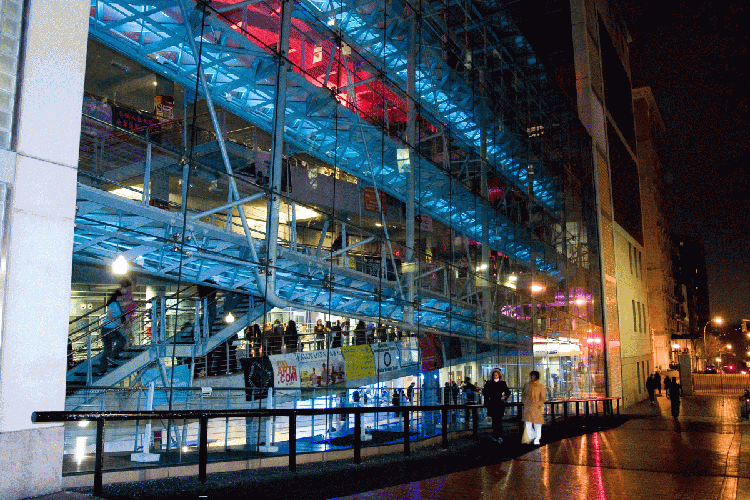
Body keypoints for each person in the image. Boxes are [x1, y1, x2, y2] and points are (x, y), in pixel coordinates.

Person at [98, 289, 125, 374]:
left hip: (111, 328)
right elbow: (109, 316)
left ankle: (105, 366)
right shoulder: (113, 304)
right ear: (118, 297)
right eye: (122, 297)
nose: (123, 298)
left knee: (108, 348)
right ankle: (112, 357)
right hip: (108, 328)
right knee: (120, 341)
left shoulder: (117, 304)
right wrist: (118, 324)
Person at [483, 369, 511, 442]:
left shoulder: (502, 383)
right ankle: (496, 435)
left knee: (499, 420)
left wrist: (504, 397)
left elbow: (508, 391)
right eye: (494, 375)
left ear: (499, 375)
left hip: (499, 404)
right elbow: (485, 392)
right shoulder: (489, 383)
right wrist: (488, 399)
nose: (495, 376)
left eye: (496, 375)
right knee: (494, 421)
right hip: (492, 404)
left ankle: (499, 435)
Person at [521, 370, 547, 445]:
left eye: (533, 376)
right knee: (528, 424)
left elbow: (543, 397)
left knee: (537, 424)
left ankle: (537, 438)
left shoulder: (540, 386)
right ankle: (533, 436)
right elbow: (523, 395)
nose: (532, 377)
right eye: (531, 376)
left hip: (536, 408)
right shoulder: (527, 385)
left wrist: (539, 405)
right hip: (528, 407)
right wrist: (525, 402)